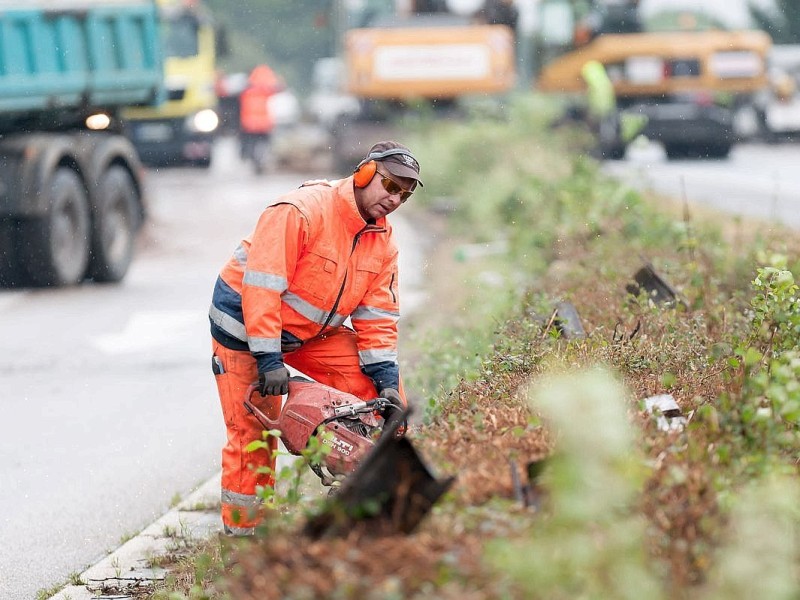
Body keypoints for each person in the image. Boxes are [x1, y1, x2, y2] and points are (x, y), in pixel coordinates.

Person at [208, 140, 423, 536]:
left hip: (310, 333)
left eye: (404, 195)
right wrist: (268, 361)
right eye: (390, 186)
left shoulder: (382, 240)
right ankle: (244, 539)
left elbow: (378, 317)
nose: (395, 199)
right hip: (246, 329)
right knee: (252, 434)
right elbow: (262, 290)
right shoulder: (300, 212)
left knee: (382, 404)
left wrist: (387, 384)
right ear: (364, 174)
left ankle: (375, 501)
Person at [238, 64, 283, 171]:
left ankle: (251, 158)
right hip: (263, 124)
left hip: (250, 124)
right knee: (262, 145)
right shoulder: (266, 90)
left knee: (252, 145)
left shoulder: (247, 90)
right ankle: (258, 161)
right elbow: (279, 88)